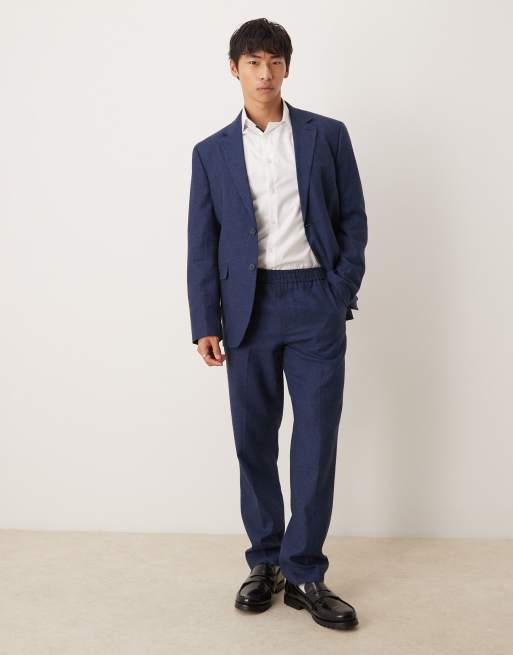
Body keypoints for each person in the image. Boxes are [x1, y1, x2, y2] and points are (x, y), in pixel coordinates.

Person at [186, 17, 367, 631]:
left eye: (274, 61)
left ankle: (306, 571)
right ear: (234, 69)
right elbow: (202, 241)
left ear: (287, 67)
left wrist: (338, 289)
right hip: (247, 308)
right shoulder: (211, 151)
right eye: (253, 62)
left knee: (315, 440)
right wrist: (204, 320)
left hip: (315, 300)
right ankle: (265, 561)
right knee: (254, 439)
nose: (264, 73)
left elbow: (353, 218)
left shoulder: (327, 135)